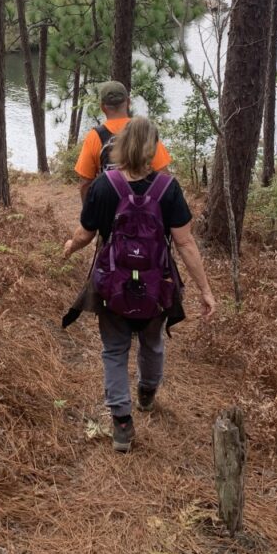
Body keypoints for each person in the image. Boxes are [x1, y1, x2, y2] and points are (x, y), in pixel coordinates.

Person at [63, 116, 216, 453]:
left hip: (111, 288)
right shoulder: (168, 189)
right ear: (153, 149)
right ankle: (146, 392)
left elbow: (86, 233)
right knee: (153, 344)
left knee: (114, 351)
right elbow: (186, 244)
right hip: (156, 287)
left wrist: (71, 247)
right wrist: (205, 290)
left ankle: (121, 423)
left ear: (121, 145)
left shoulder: (105, 186)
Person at [74, 81, 172, 201]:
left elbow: (85, 182)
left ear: (102, 107)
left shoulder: (94, 136)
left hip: (109, 210)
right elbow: (164, 174)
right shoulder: (143, 132)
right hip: (145, 210)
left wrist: (88, 213)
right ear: (128, 102)